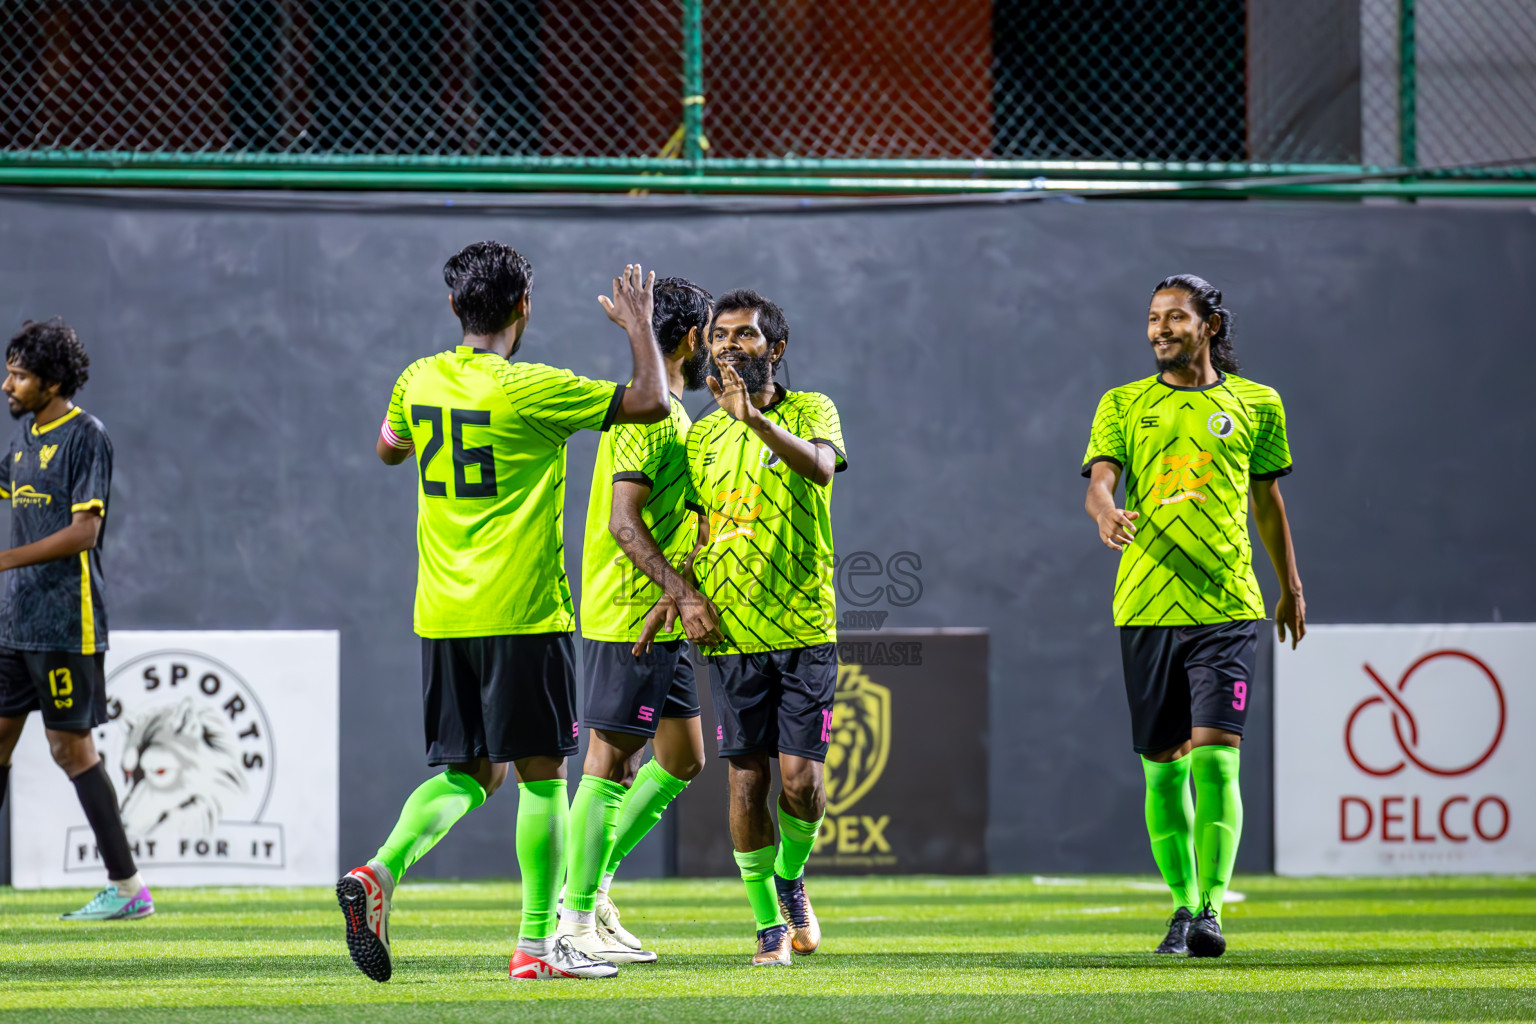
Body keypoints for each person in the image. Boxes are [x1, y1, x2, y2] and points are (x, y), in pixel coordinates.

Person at [337, 244, 669, 983]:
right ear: (525, 306)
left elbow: (389, 450)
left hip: (442, 612)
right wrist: (640, 326)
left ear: (454, 307)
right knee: (544, 777)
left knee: (469, 774)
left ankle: (379, 872)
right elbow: (650, 400)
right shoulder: (534, 390)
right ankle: (536, 946)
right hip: (521, 610)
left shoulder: (416, 378)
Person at [1081, 274, 1305, 958]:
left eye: (1175, 317)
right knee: (1163, 771)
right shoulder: (1122, 405)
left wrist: (1290, 585)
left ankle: (1207, 911)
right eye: (1153, 319)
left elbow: (1266, 500)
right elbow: (1099, 481)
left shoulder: (1257, 404)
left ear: (1210, 325)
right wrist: (1104, 512)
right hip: (1146, 606)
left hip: (1228, 606)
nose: (1160, 329)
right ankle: (1181, 904)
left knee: (1216, 764)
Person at [642, 289, 846, 967]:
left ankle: (791, 877)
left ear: (775, 349)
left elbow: (819, 469)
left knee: (800, 785)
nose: (731, 345)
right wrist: (678, 592)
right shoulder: (701, 434)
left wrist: (753, 418)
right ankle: (767, 925)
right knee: (745, 785)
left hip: (803, 628)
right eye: (721, 336)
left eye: (747, 336)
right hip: (730, 634)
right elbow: (699, 530)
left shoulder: (811, 409)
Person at [561, 278, 721, 965]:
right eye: (713, 335)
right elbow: (625, 525)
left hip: (664, 611)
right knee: (610, 759)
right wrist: (680, 591)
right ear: (692, 341)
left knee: (683, 756)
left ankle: (591, 889)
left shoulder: (672, 415)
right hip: (632, 611)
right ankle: (571, 919)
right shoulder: (651, 417)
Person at [0, 318, 153, 921]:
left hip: (67, 623)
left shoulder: (87, 436)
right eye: (8, 371)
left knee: (71, 750)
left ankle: (128, 888)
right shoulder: (21, 440)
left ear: (53, 380)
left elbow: (85, 532)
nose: (7, 384)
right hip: (14, 622)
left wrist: (5, 559)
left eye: (19, 374)